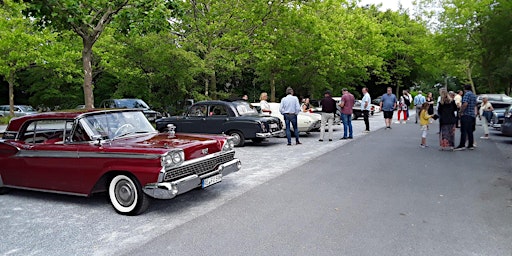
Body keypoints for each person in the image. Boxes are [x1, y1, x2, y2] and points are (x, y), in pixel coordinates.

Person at [454, 84, 477, 150]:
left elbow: (465, 104)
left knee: (463, 130)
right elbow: (475, 104)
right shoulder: (473, 95)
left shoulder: (467, 94)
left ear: (465, 89)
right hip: (472, 114)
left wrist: (460, 111)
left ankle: (462, 145)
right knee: (470, 130)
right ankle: (470, 144)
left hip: (466, 114)